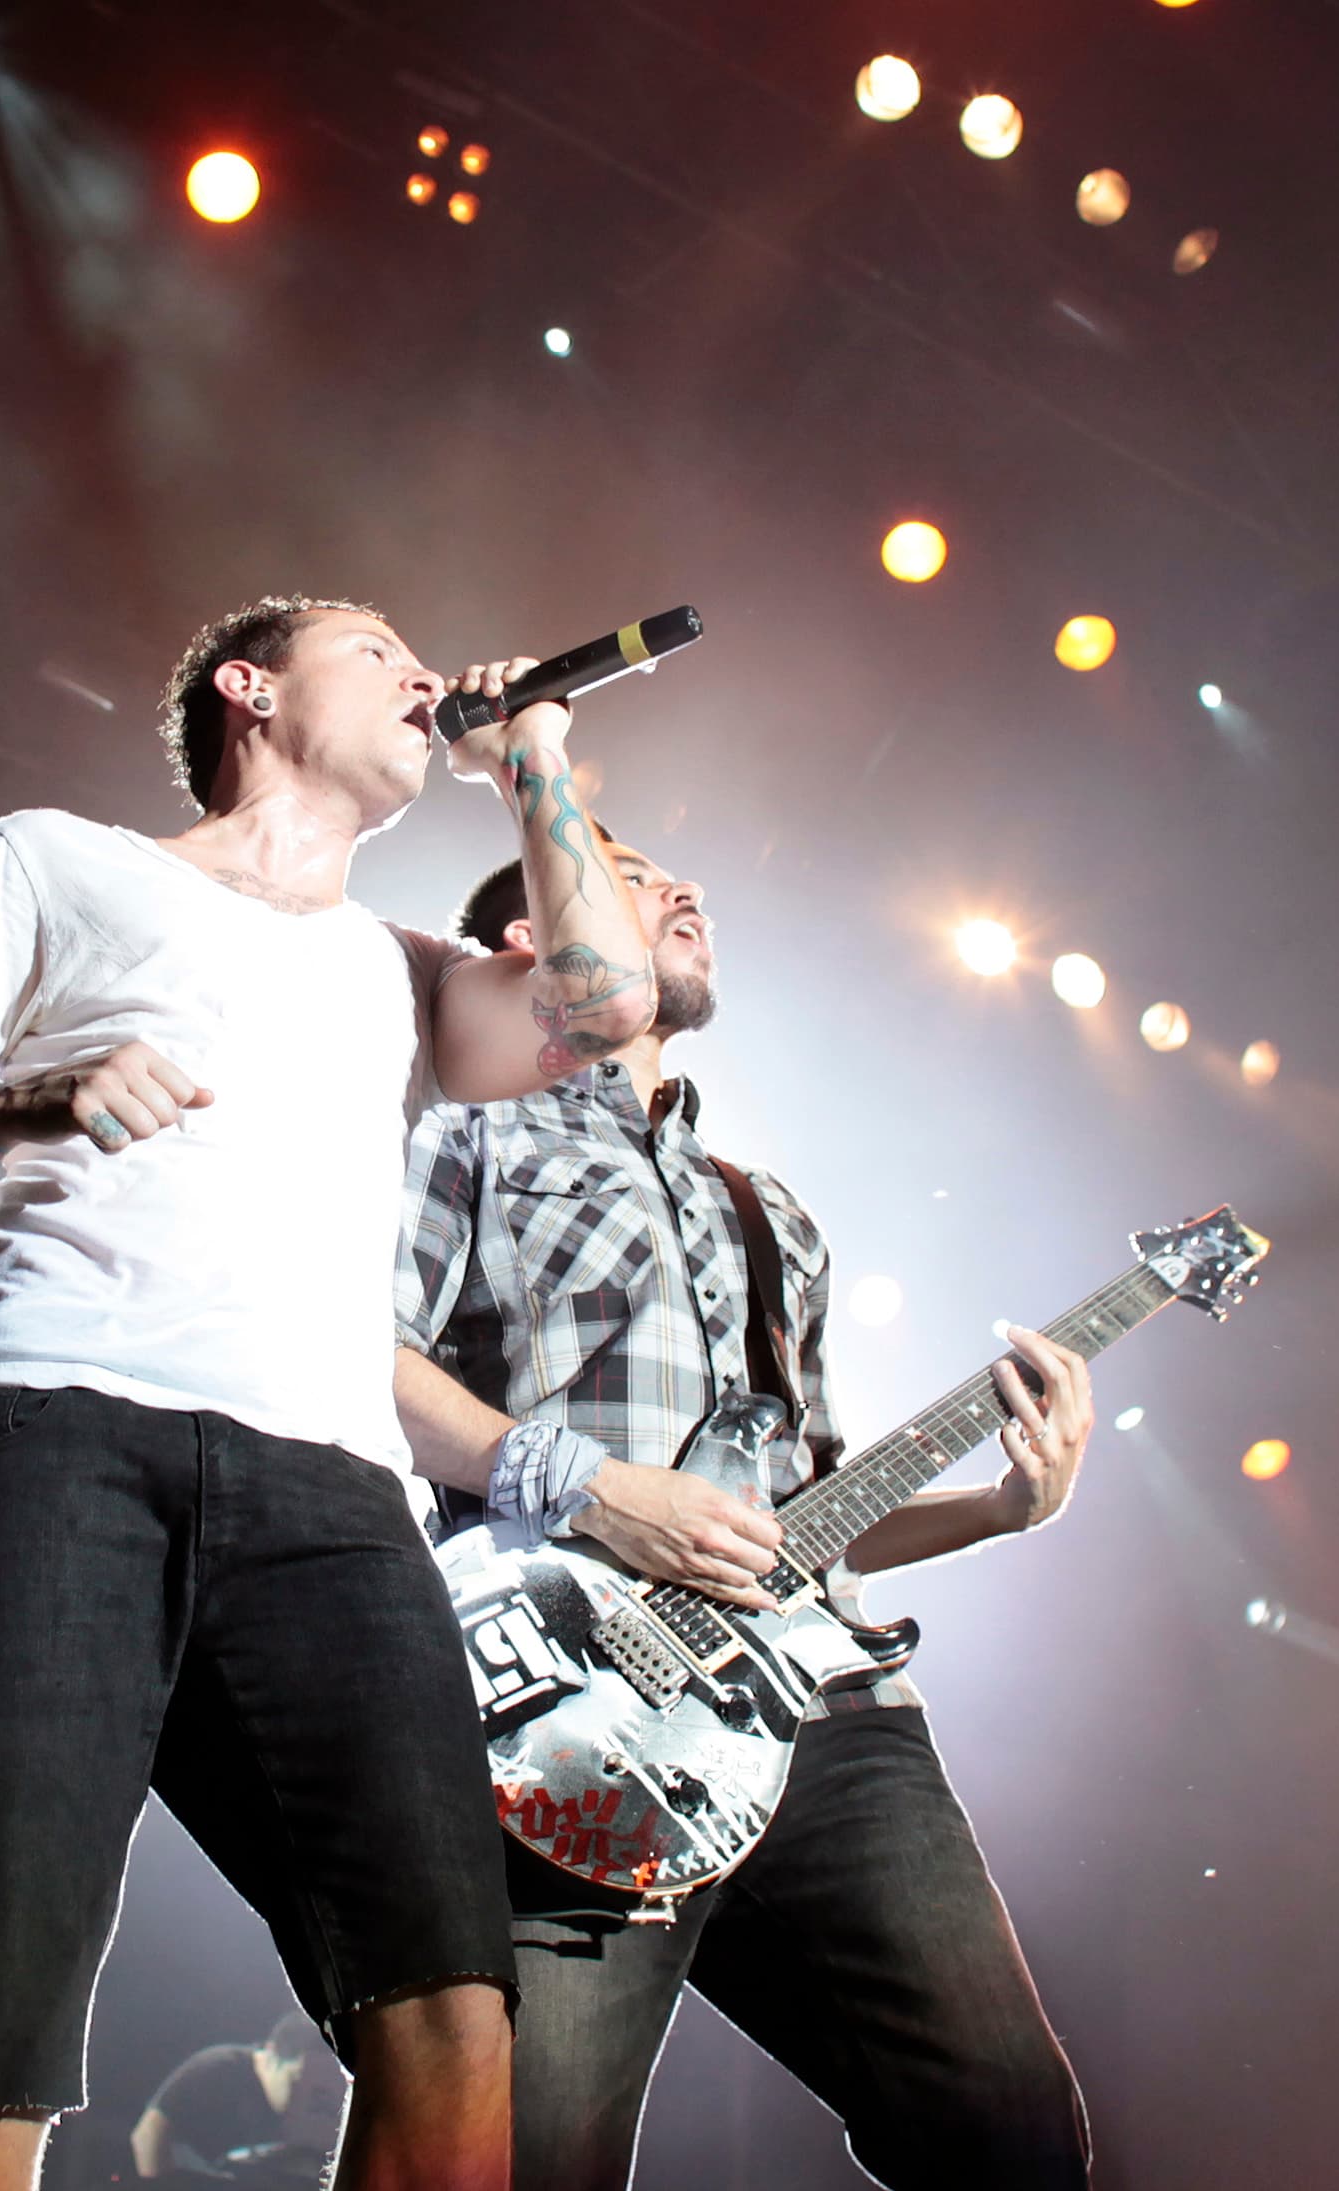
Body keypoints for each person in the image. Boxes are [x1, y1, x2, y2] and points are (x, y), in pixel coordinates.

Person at [0, 594, 661, 2191]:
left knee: (455, 2013)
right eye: (375, 645)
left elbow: (606, 1008)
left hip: (331, 1488)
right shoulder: (57, 858)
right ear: (249, 691)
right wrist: (16, 1099)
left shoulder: (398, 971)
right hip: (52, 1421)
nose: (423, 671)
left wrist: (536, 753)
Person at [391, 830, 1099, 2190]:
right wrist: (594, 1488)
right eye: (632, 870)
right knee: (526, 2160)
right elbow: (354, 1357)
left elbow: (803, 1510)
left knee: (1008, 2130)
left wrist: (1004, 1506)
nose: (685, 890)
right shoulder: (455, 1134)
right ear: (533, 937)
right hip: (565, 1719)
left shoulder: (767, 1211)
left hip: (821, 1706)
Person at [131, 2011, 346, 2182]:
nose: (305, 2096)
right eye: (296, 2080)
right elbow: (148, 2135)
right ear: (272, 2056)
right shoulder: (218, 2068)